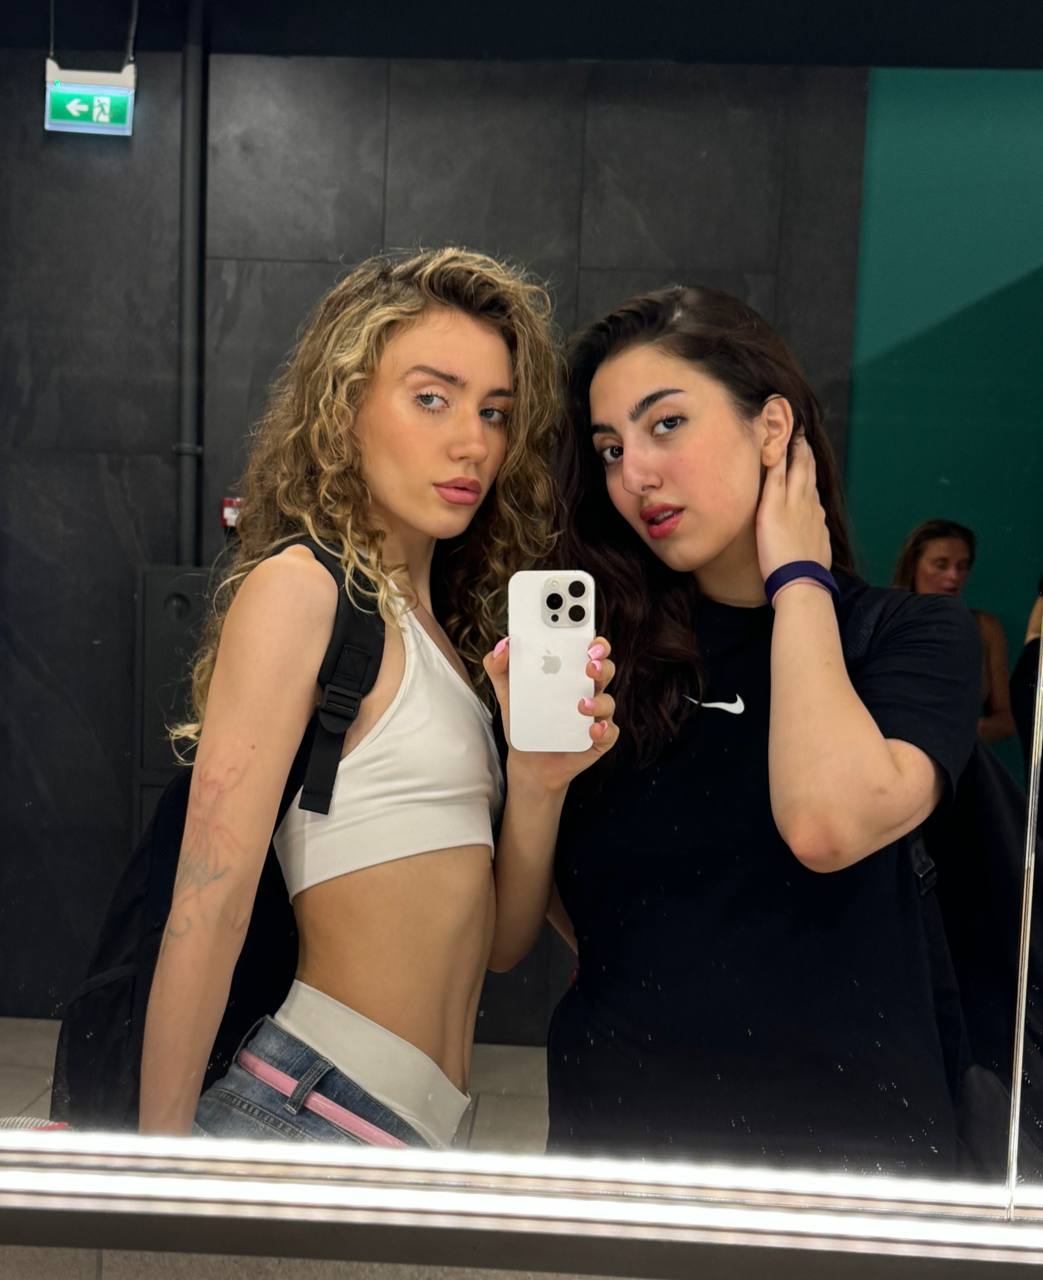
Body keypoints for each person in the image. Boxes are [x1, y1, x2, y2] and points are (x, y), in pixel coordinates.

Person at [492, 285, 982, 1174]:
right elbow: (535, 927)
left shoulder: (911, 637)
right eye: (610, 449)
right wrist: (533, 779)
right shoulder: (608, 659)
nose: (634, 474)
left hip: (853, 1160)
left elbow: (825, 824)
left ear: (771, 429)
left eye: (666, 424)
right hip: (621, 1143)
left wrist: (798, 579)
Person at [139, 247, 618, 1147]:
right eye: (431, 399)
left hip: (410, 1133)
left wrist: (538, 777)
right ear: (346, 404)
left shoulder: (443, 639)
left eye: (494, 411)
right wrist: (158, 1171)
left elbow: (501, 946)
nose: (472, 442)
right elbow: (208, 904)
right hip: (306, 1113)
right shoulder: (301, 590)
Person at [893, 520, 1015, 746]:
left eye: (962, 566)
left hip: (960, 760)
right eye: (941, 565)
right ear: (913, 566)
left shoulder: (984, 628)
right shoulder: (889, 624)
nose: (954, 576)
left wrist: (960, 733)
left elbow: (1005, 720)